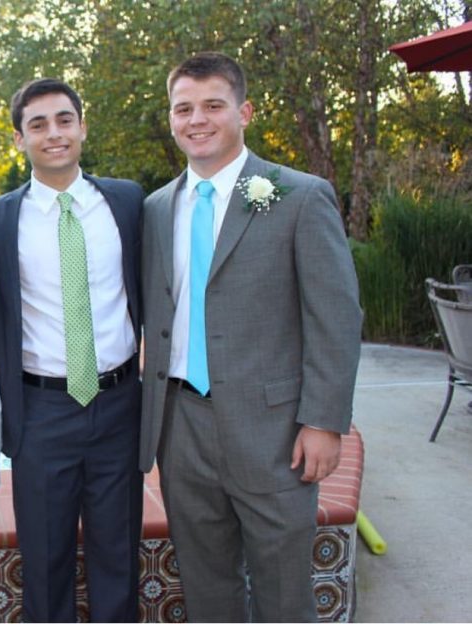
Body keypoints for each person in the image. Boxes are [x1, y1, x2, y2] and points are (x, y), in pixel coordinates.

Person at [139, 51, 363, 622]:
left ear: (245, 111)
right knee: (207, 587)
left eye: (213, 105)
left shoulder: (299, 196)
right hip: (182, 427)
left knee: (284, 592)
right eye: (183, 108)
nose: (197, 119)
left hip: (274, 432)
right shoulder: (157, 209)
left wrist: (324, 421)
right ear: (170, 118)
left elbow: (335, 318)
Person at [0, 78, 144, 622]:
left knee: (117, 550)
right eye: (38, 124)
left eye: (64, 119)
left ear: (82, 126)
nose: (54, 133)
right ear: (19, 139)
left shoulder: (127, 202)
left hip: (120, 404)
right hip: (42, 412)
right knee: (44, 557)